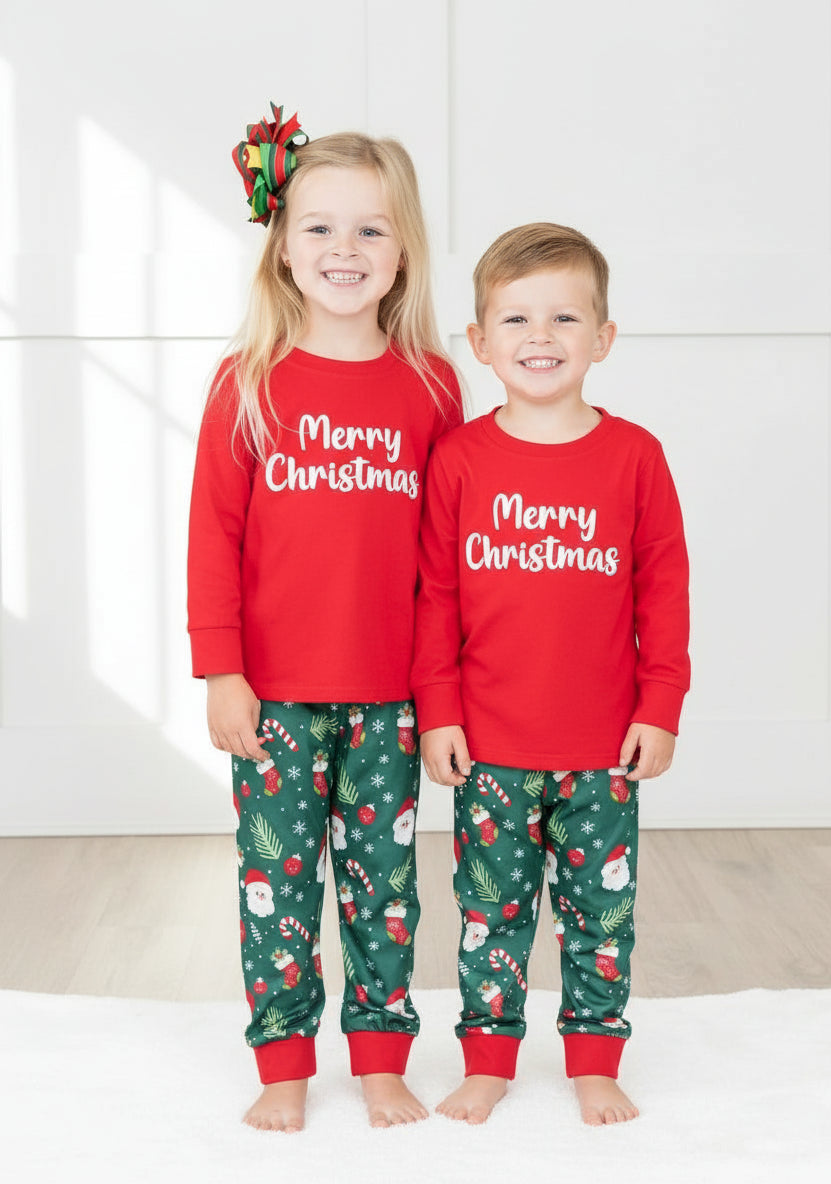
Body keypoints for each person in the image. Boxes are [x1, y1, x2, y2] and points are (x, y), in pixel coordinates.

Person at [187, 104, 462, 1134]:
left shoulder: (433, 389)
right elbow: (213, 538)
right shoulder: (247, 384)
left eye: (370, 229)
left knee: (385, 888)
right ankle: (286, 1058)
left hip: (392, 697)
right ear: (283, 247)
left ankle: (384, 1054)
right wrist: (222, 670)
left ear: (402, 253)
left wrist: (445, 697)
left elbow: (446, 568)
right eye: (320, 227)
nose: (344, 249)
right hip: (273, 699)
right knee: (277, 886)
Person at [411, 222, 690, 1126]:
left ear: (603, 339)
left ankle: (595, 1061)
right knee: (490, 918)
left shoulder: (635, 456)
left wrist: (661, 706)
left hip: (604, 748)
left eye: (566, 317)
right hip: (490, 746)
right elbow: (436, 597)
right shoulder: (457, 458)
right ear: (481, 342)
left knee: (600, 919)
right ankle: (488, 1060)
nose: (542, 336)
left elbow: (664, 593)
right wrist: (440, 714)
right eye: (518, 318)